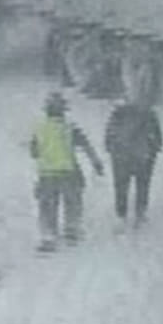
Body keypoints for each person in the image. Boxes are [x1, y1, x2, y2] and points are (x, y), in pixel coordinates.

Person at [29, 91, 103, 249]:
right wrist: (96, 162)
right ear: (63, 111)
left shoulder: (39, 129)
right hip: (69, 172)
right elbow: (86, 146)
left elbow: (33, 152)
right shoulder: (70, 128)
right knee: (73, 202)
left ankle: (49, 235)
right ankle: (71, 229)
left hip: (47, 174)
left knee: (48, 205)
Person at [103, 94, 163, 224]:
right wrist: (155, 148)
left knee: (121, 185)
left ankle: (121, 215)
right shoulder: (148, 114)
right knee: (143, 184)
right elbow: (157, 136)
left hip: (121, 155)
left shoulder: (118, 113)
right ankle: (140, 213)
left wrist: (110, 147)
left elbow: (110, 133)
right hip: (143, 155)